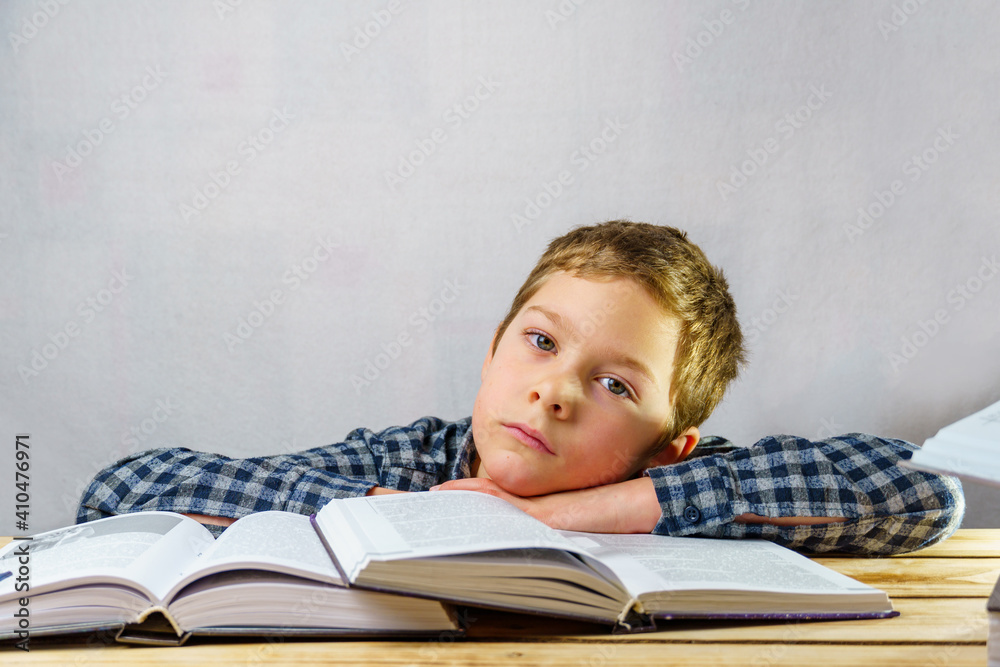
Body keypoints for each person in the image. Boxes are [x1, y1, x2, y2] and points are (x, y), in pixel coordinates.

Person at [76, 221, 964, 554]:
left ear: (667, 444)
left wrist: (562, 518)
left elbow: (926, 489)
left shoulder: (680, 485)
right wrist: (420, 514)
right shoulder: (413, 460)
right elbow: (119, 489)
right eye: (539, 342)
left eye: (614, 382)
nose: (554, 392)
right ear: (494, 350)